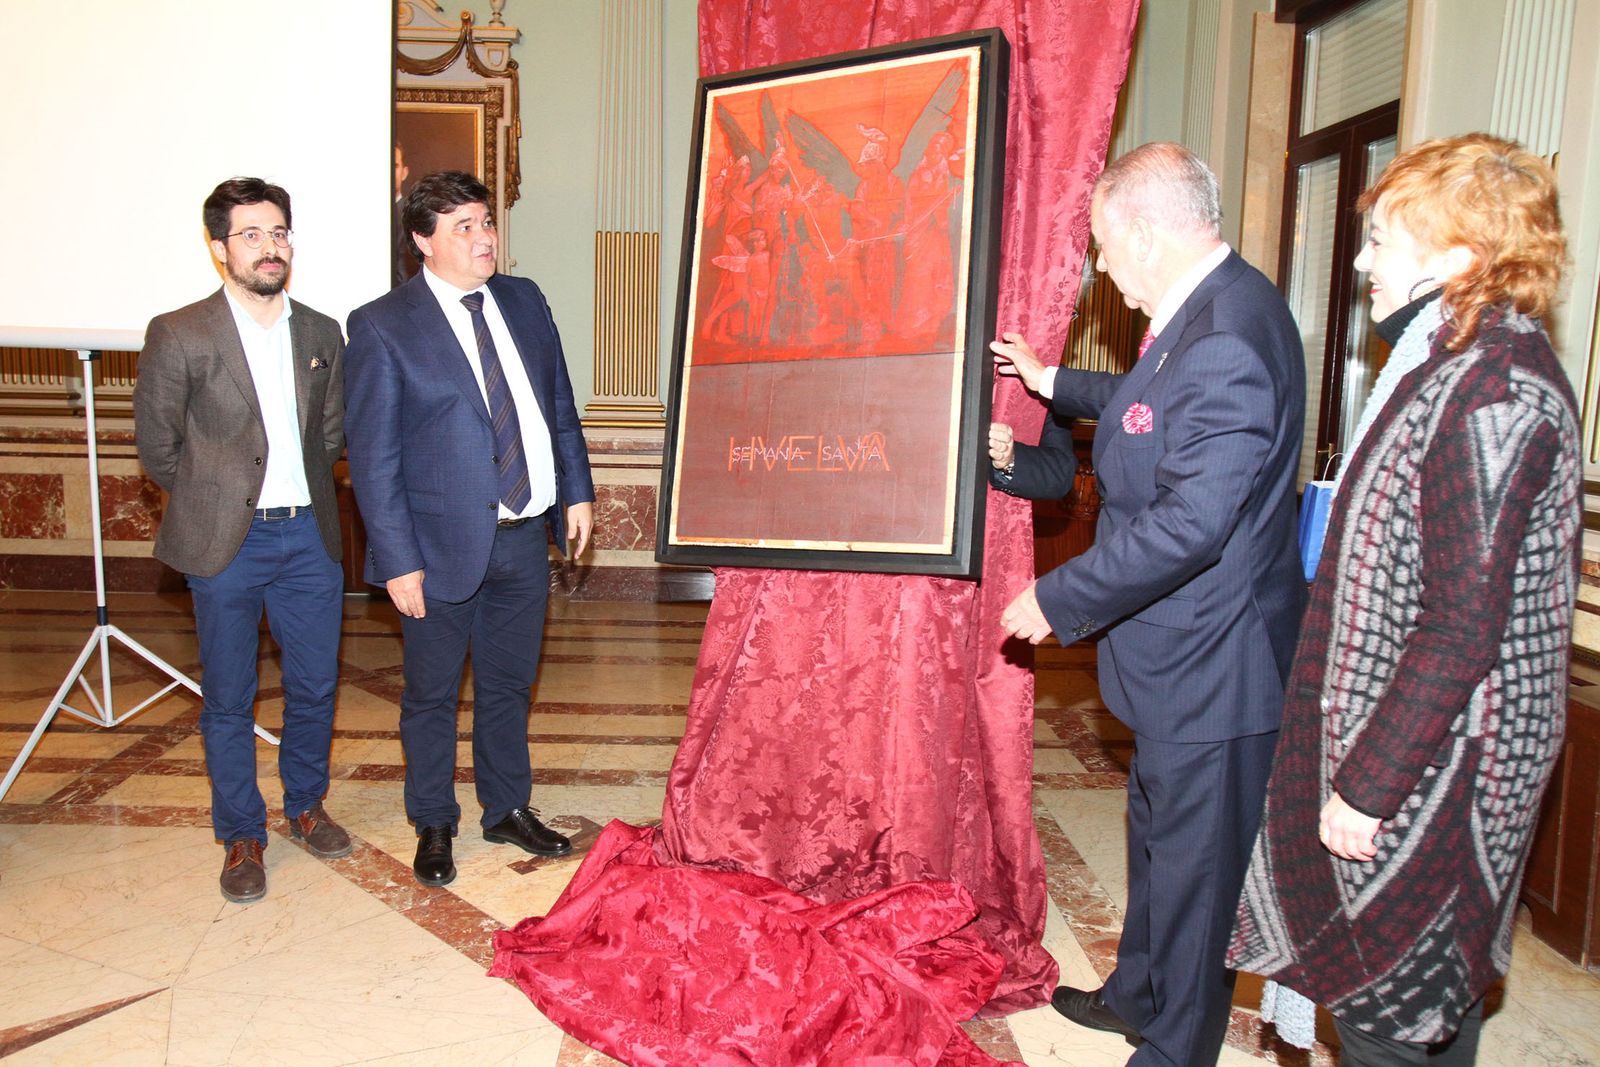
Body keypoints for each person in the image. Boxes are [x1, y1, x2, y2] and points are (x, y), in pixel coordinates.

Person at [1229, 133, 1581, 1067]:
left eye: (1381, 238)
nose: (1360, 261)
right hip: (1415, 742)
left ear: (1460, 251)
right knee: (1413, 999)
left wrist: (1367, 782)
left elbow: (1463, 622)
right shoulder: (1457, 364)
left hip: (1443, 768)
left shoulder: (1495, 389)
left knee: (1396, 1002)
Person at [991, 142, 1306, 1067]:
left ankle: (1176, 1045)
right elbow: (1147, 401)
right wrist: (1052, 381)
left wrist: (1060, 593)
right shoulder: (1211, 306)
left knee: (1201, 871)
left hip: (1218, 665)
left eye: (1101, 244)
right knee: (1160, 839)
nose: (1100, 268)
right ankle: (1137, 990)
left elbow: (1190, 525)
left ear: (1145, 230)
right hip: (1180, 659)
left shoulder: (1228, 337)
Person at [344, 170, 596, 888]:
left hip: (522, 534)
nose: (485, 237)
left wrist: (576, 491)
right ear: (424, 241)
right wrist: (396, 559)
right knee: (430, 693)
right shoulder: (383, 324)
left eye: (486, 222)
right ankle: (433, 818)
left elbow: (556, 403)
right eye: (465, 226)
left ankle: (506, 805)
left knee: (509, 684)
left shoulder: (524, 299)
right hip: (436, 546)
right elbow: (374, 456)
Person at [134, 177, 350, 903]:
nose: (269, 247)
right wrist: (216, 500)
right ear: (219, 245)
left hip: (310, 542)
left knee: (315, 685)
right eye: (252, 234)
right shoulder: (181, 331)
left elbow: (329, 437)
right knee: (229, 696)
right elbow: (159, 448)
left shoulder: (321, 331)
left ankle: (307, 804)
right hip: (226, 545)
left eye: (279, 232)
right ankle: (241, 833)